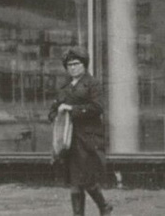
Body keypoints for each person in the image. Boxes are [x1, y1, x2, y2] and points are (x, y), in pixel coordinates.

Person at [48, 47, 113, 216]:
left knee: (86, 179)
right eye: (69, 65)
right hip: (68, 140)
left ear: (84, 65)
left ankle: (104, 206)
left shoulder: (92, 84)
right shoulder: (64, 86)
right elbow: (52, 112)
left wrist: (71, 109)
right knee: (75, 181)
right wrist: (58, 113)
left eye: (76, 64)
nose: (73, 68)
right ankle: (92, 210)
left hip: (87, 139)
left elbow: (98, 107)